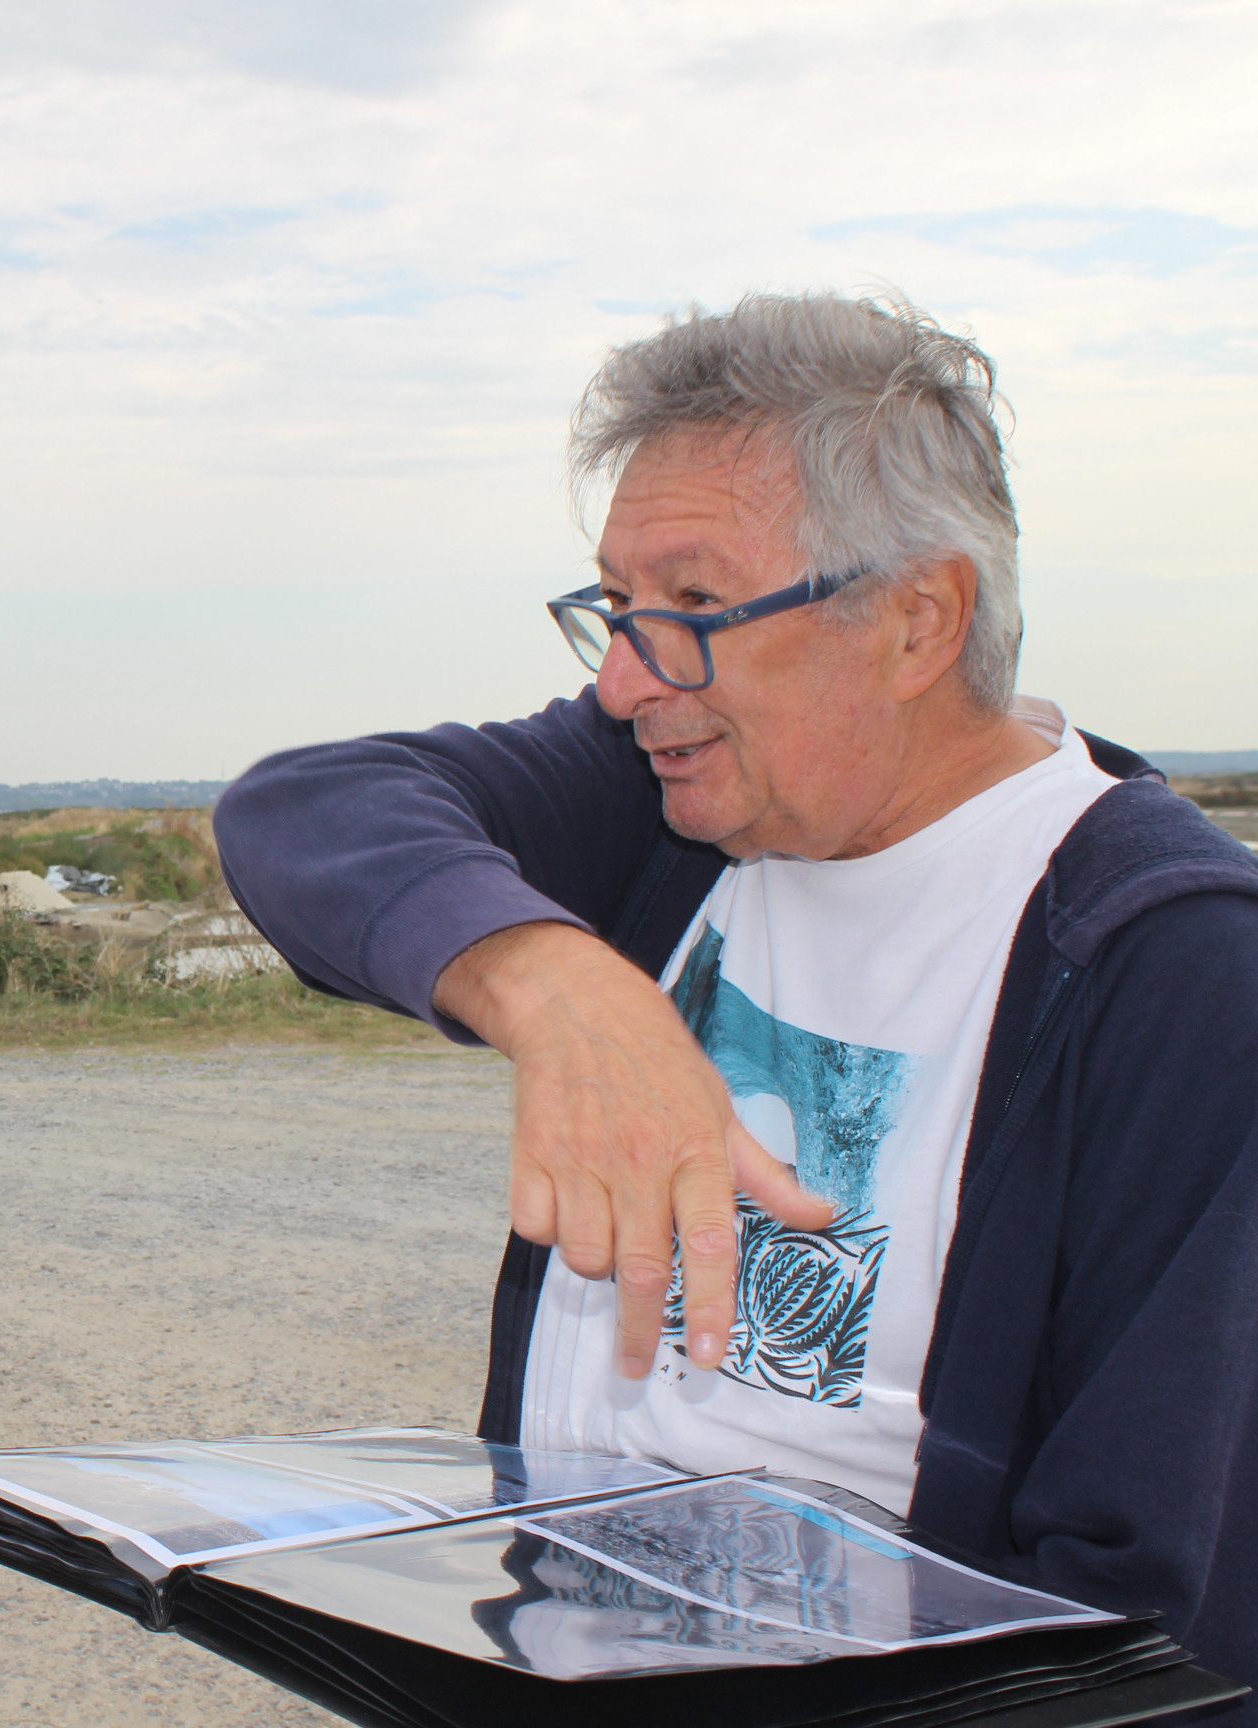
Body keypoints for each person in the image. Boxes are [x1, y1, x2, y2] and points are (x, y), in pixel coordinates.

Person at [216, 294, 1258, 1705]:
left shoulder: (1173, 967)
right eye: (618, 609)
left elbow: (1152, 1620)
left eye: (696, 608)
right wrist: (557, 983)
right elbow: (306, 811)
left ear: (915, 620)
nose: (632, 679)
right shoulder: (671, 803)